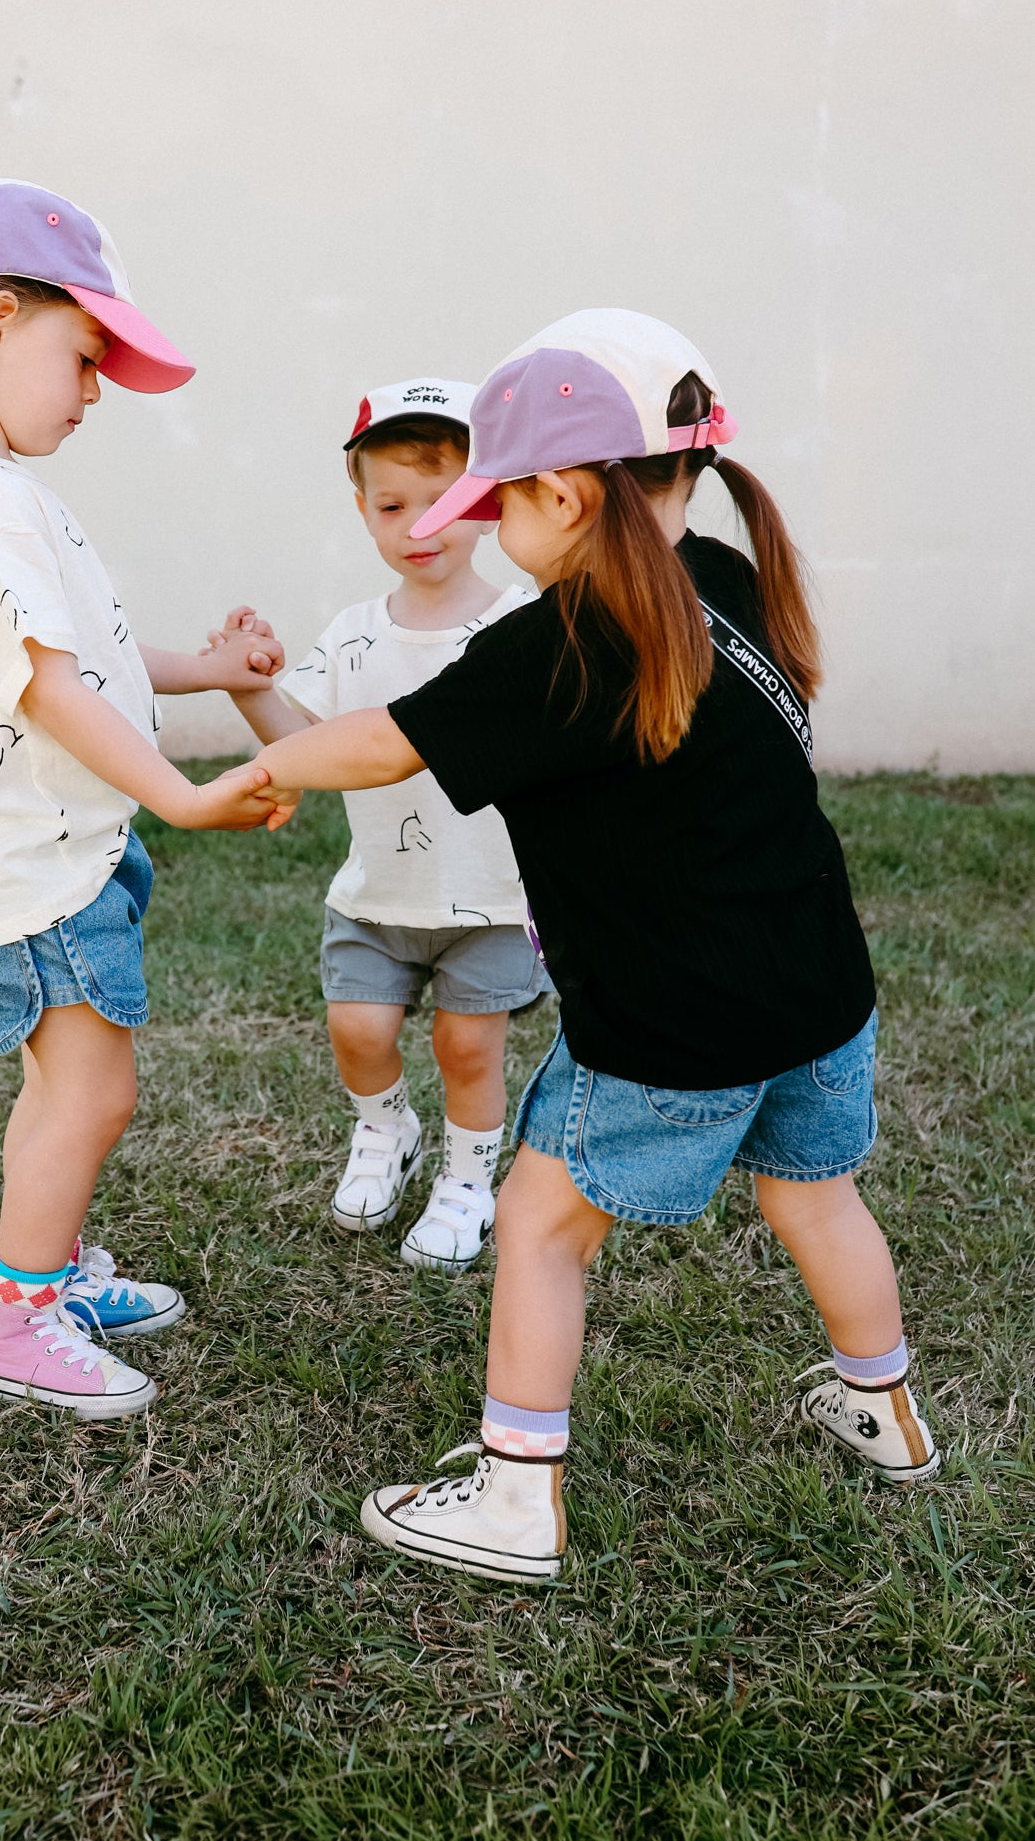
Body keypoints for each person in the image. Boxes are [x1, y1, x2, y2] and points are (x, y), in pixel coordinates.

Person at [245, 309, 940, 1579]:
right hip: (821, 997)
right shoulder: (722, 581)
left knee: (541, 1227)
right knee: (816, 1192)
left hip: (668, 1031)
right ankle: (884, 1408)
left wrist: (250, 772)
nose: (485, 527)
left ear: (563, 495)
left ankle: (515, 1500)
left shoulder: (556, 644)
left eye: (495, 502)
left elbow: (391, 738)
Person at [0, 179, 280, 1420]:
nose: (93, 394)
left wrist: (209, 668)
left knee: (62, 1082)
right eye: (83, 358)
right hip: (24, 857)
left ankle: (48, 1274)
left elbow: (82, 660)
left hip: (45, 848)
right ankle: (19, 1318)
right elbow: (43, 684)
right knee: (89, 1087)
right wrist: (184, 798)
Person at [213, 379, 546, 1271]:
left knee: (466, 1047)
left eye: (443, 503)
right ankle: (385, 1131)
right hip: (378, 897)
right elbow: (306, 742)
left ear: (488, 502)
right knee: (358, 1031)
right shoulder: (354, 633)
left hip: (489, 898)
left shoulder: (522, 625)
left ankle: (469, 1180)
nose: (418, 526)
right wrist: (248, 684)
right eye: (393, 505)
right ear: (362, 512)